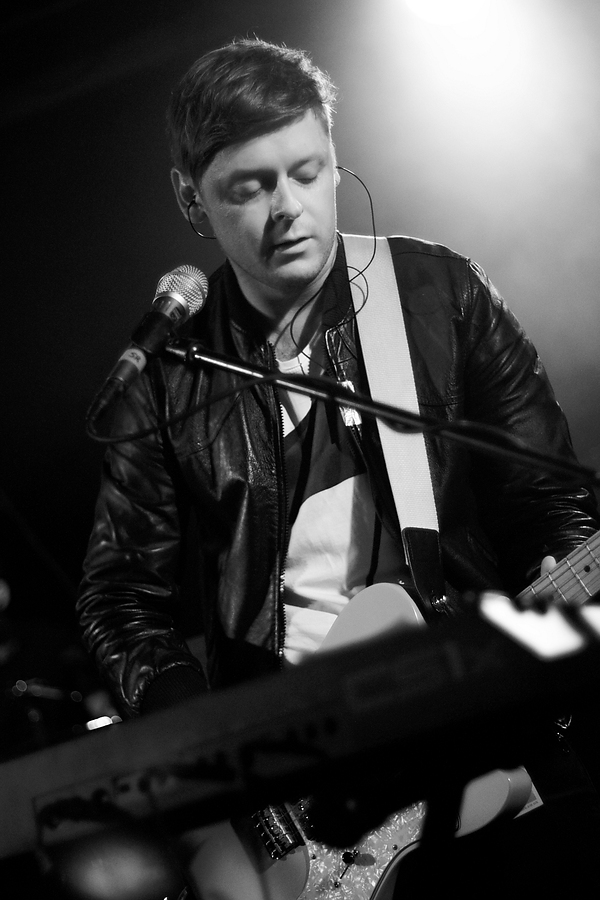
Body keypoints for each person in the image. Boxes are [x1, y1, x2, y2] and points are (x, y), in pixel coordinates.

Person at [77, 38, 599, 894]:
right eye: (249, 187)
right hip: (297, 804)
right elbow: (120, 598)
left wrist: (561, 571)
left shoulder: (438, 295)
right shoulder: (170, 379)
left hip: (489, 733)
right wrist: (237, 769)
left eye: (308, 171)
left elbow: (547, 494)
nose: (288, 208)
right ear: (190, 199)